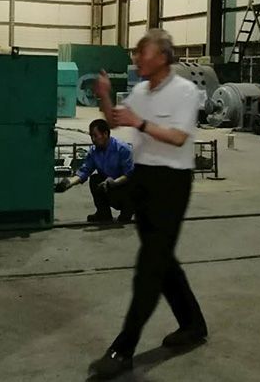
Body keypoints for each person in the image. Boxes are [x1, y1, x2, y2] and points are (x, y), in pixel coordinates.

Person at [89, 29, 208, 379]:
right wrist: (105, 96)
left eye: (144, 52)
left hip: (172, 183)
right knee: (162, 260)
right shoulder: (141, 91)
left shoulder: (185, 91)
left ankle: (123, 350)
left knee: (149, 268)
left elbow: (179, 137)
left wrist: (139, 122)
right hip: (143, 179)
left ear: (163, 57)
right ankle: (193, 324)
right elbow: (115, 120)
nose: (137, 57)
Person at [56, 119, 134, 223]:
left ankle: (128, 210)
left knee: (125, 214)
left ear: (105, 134)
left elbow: (129, 175)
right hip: (109, 186)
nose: (93, 139)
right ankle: (103, 213)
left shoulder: (123, 149)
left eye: (95, 136)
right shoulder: (93, 151)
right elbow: (84, 171)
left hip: (125, 187)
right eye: (91, 136)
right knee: (95, 179)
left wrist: (114, 182)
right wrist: (68, 183)